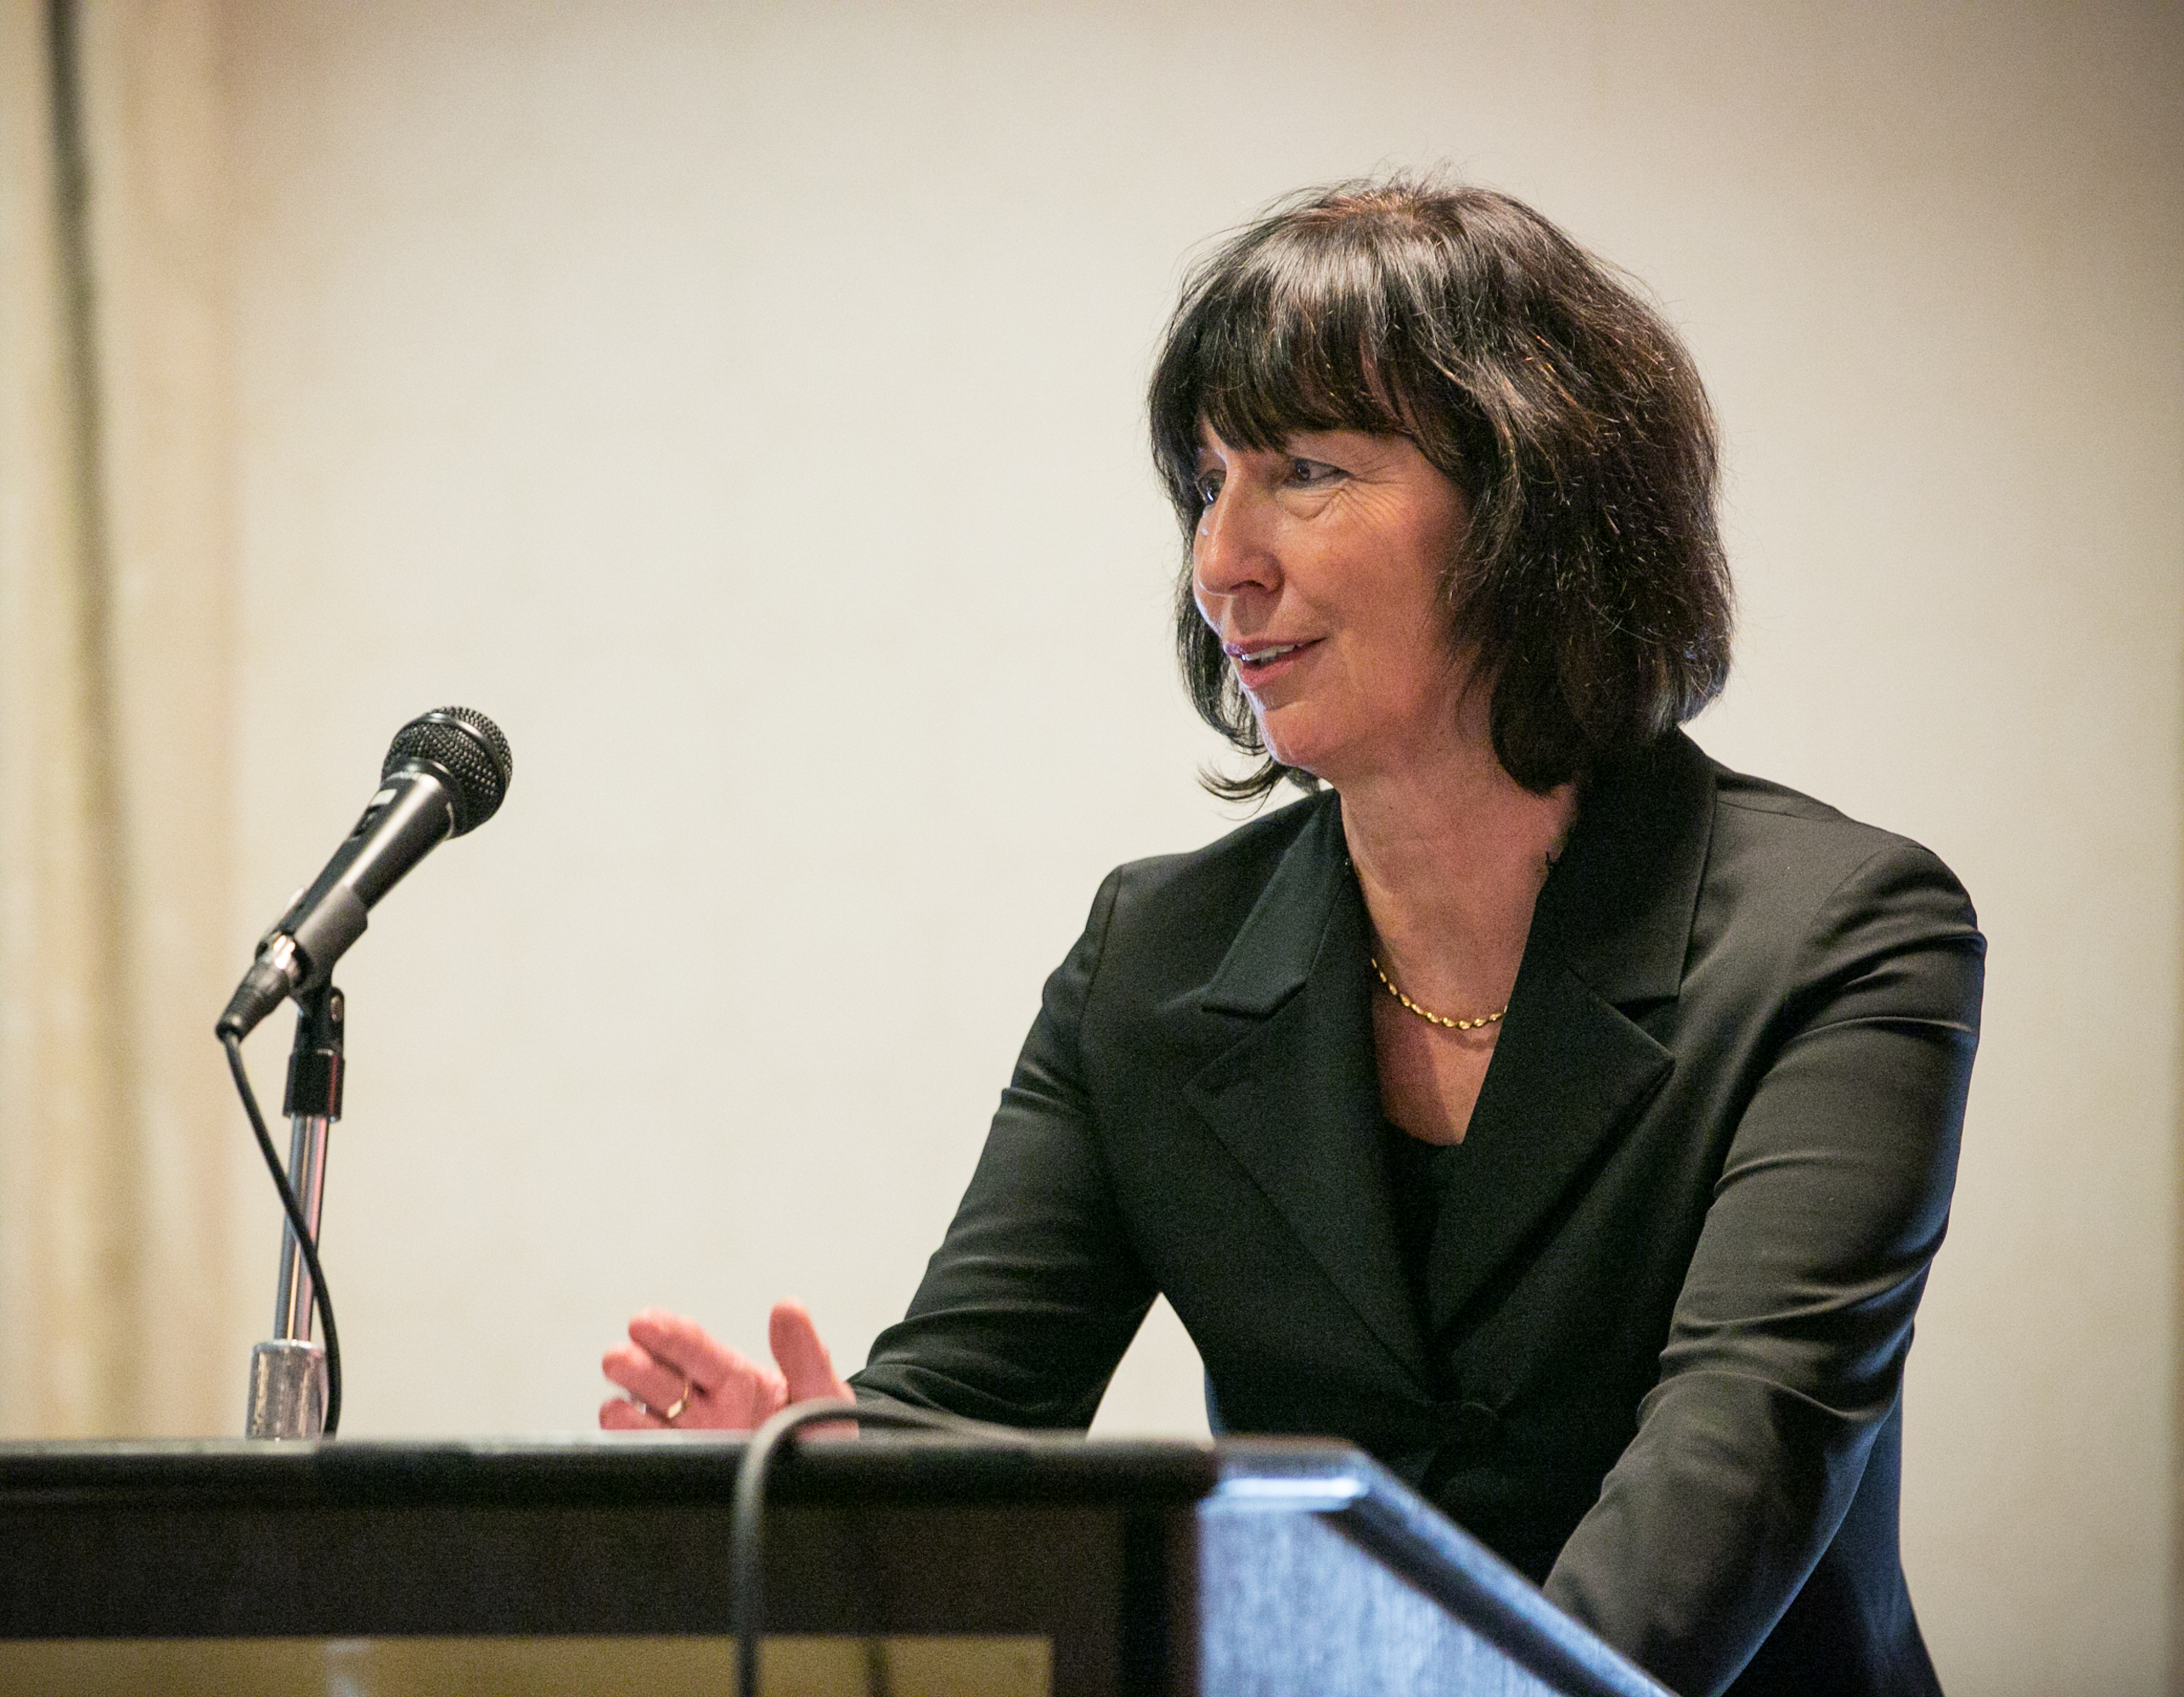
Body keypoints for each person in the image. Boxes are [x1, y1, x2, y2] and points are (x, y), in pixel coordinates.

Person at [598, 177, 1981, 1697]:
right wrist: (826, 1484)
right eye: (1209, 483)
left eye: (1307, 471)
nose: (1222, 561)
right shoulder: (1155, 958)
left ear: (1533, 506)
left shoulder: (1838, 938)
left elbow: (1738, 1460)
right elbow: (970, 1411)